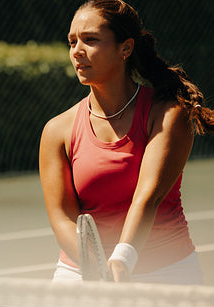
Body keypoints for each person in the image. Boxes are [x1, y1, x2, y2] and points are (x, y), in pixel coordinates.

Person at [39, 0, 213, 284]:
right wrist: (94, 267)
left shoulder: (167, 114)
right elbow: (62, 217)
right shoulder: (57, 130)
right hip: (82, 273)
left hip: (165, 272)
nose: (77, 52)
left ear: (125, 48)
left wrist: (120, 261)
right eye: (72, 42)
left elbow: (148, 196)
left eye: (90, 39)